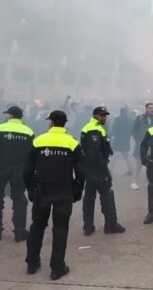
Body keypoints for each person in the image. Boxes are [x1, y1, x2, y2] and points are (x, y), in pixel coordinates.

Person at [25, 110, 84, 280]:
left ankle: (32, 263)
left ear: (50, 122)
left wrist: (30, 188)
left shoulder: (38, 141)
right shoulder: (72, 143)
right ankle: (57, 268)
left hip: (42, 191)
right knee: (60, 228)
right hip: (64, 192)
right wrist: (78, 189)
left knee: (37, 226)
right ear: (65, 123)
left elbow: (27, 169)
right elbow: (81, 170)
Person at [81, 107, 126, 236]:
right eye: (101, 115)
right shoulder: (93, 129)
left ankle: (89, 226)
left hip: (91, 168)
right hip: (96, 169)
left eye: (105, 115)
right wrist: (104, 170)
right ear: (95, 115)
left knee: (90, 197)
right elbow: (94, 153)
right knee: (106, 196)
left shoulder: (96, 127)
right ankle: (110, 225)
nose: (104, 117)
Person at [0, 106, 34, 242]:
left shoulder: (1, 128)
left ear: (10, 116)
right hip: (19, 170)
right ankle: (19, 231)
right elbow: (32, 153)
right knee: (19, 199)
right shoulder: (28, 131)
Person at [130, 103, 153, 190]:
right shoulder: (139, 118)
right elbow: (134, 130)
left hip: (151, 145)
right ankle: (134, 182)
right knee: (138, 164)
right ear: (146, 108)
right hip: (141, 144)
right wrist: (138, 139)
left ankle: (147, 182)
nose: (151, 110)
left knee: (150, 165)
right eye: (150, 108)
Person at [110, 107, 134, 175]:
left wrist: (113, 136)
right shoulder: (130, 121)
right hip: (125, 140)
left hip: (118, 140)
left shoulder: (117, 120)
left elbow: (113, 129)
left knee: (114, 156)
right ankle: (130, 169)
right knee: (126, 156)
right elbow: (131, 130)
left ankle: (110, 170)